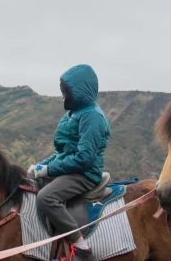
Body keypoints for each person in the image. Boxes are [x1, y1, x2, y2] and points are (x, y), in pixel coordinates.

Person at [28, 64, 110, 261]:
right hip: (70, 169)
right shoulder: (73, 114)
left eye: (66, 91)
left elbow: (84, 158)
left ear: (79, 90)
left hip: (84, 174)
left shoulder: (93, 116)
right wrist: (39, 167)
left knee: (46, 197)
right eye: (63, 91)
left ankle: (82, 248)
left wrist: (48, 169)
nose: (63, 95)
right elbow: (62, 153)